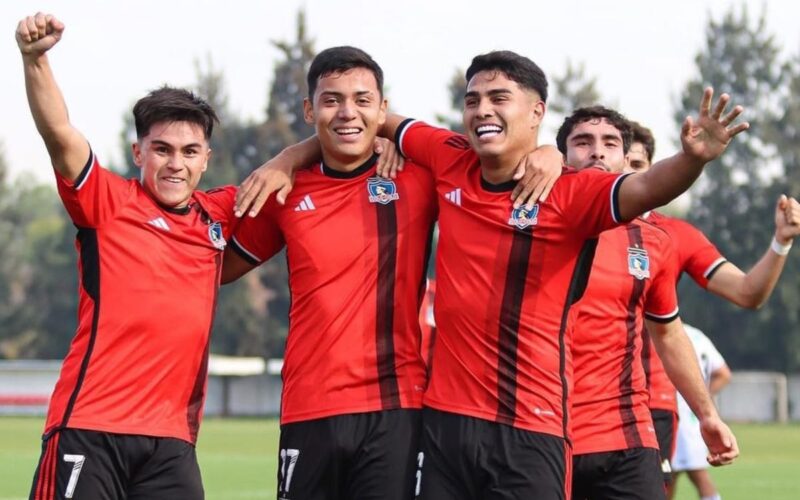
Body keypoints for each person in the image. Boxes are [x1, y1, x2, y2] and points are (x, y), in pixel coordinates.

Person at [236, 49, 746, 499]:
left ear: (536, 112)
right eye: (473, 100)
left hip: (531, 428)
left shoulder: (570, 193)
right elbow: (365, 118)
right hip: (443, 427)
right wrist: (290, 155)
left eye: (499, 98)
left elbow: (645, 188)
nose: (483, 110)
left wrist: (691, 161)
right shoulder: (447, 159)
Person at [18, 12, 238, 499]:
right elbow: (59, 134)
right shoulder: (106, 201)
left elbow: (293, 180)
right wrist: (35, 59)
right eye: (161, 149)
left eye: (188, 151)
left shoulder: (219, 215)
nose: (175, 163)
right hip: (90, 427)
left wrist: (296, 155)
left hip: (172, 443)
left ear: (207, 159)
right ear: (138, 152)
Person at [221, 46, 438, 500]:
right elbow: (217, 271)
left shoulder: (418, 177)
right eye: (331, 99)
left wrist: (548, 157)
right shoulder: (285, 190)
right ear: (309, 109)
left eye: (362, 100)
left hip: (396, 408)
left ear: (383, 109)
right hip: (309, 407)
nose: (347, 113)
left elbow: (491, 163)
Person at [557, 106, 736, 500]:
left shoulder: (651, 240)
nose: (597, 153)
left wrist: (707, 415)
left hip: (627, 436)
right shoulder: (532, 224)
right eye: (582, 142)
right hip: (546, 436)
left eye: (610, 144)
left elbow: (669, 333)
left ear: (626, 158)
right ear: (562, 157)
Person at [627, 121, 800, 489]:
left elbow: (747, 292)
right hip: (561, 397)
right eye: (619, 159)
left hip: (648, 399)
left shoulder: (674, 235)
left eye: (638, 164)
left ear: (654, 171)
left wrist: (780, 243)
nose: (626, 171)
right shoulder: (567, 220)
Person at [670, 324, 732, 500]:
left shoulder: (667, 334)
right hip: (693, 418)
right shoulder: (698, 335)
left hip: (678, 418)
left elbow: (723, 374)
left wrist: (696, 399)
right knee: (668, 477)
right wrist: (702, 400)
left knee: (697, 474)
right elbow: (723, 373)